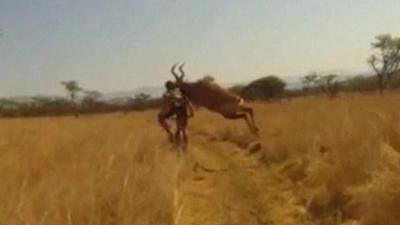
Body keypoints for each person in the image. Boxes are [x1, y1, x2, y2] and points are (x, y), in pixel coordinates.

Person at [158, 81, 194, 145]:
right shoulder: (180, 92)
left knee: (160, 117)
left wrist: (164, 114)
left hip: (173, 110)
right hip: (182, 111)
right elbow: (189, 103)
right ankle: (185, 146)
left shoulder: (167, 94)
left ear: (167, 87)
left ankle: (170, 133)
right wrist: (191, 112)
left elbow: (165, 106)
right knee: (183, 128)